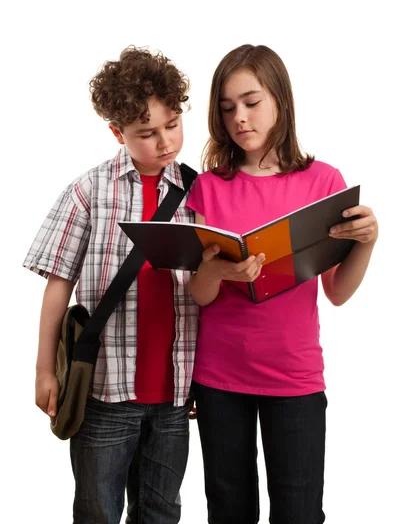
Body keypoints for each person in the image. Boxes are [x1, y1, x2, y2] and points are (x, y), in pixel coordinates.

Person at [187, 44, 378, 524]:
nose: (240, 118)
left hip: (294, 377)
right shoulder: (209, 186)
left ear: (280, 100)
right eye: (228, 108)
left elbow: (336, 292)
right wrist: (221, 271)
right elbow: (199, 293)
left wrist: (367, 245)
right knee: (229, 511)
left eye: (252, 102)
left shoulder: (323, 181)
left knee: (298, 512)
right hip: (219, 378)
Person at [23, 46, 198, 524]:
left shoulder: (199, 192)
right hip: (103, 391)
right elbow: (58, 283)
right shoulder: (88, 191)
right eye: (146, 133)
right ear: (117, 133)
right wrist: (45, 370)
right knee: (98, 509)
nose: (164, 142)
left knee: (161, 509)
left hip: (174, 397)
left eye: (172, 125)